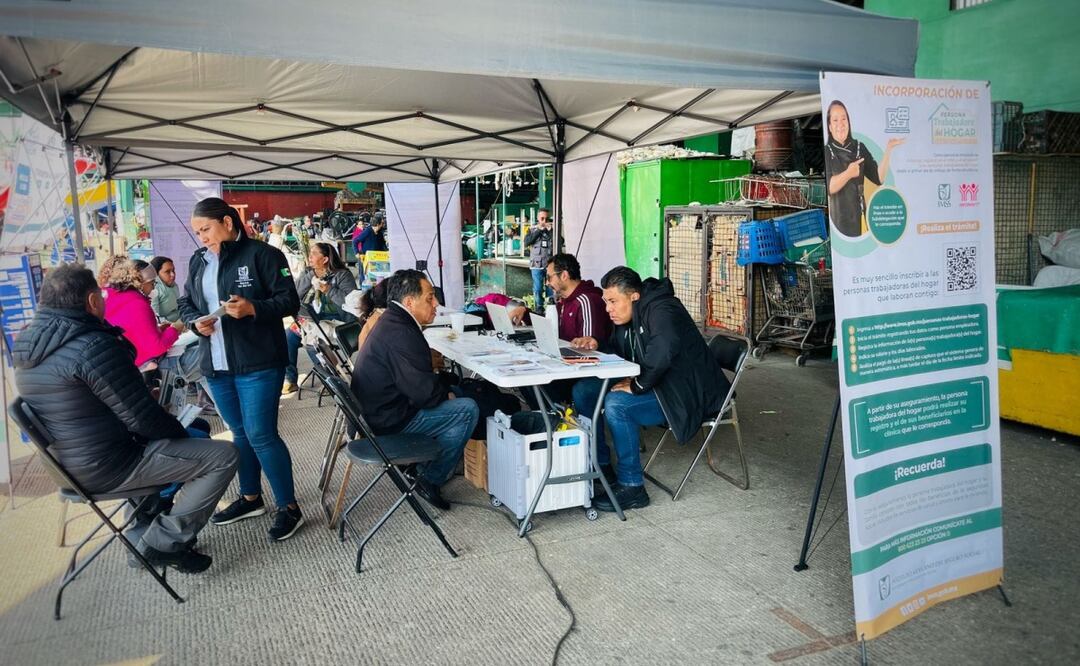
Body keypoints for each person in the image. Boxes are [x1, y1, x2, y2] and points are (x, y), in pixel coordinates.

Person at [13, 264, 238, 573]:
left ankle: (145, 527)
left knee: (190, 434)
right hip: (112, 465)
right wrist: (178, 431)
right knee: (222, 456)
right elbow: (143, 419)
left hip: (70, 466)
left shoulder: (29, 349)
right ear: (93, 301)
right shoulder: (92, 345)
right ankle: (162, 542)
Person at [178, 197, 306, 541]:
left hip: (258, 362)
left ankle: (289, 507)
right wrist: (194, 323)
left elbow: (289, 300)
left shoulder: (264, 255)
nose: (201, 237)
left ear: (228, 223)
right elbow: (186, 302)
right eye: (197, 232)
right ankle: (250, 497)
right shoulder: (198, 260)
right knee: (239, 434)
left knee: (261, 434)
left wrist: (253, 308)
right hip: (217, 365)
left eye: (206, 229)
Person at [571, 267, 730, 512]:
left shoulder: (662, 308)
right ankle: (600, 467)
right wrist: (597, 344)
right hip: (659, 383)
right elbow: (621, 350)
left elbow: (665, 348)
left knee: (617, 405)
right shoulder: (628, 316)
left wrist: (637, 385)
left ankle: (632, 487)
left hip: (685, 392)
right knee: (584, 391)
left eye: (613, 301)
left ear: (634, 296)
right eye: (606, 302)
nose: (608, 309)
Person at [350, 269, 479, 510]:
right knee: (468, 409)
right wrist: (444, 392)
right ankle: (429, 477)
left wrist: (443, 389)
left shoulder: (393, 320)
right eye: (430, 297)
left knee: (458, 395)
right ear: (409, 302)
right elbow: (424, 395)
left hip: (379, 411)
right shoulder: (401, 332)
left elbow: (419, 384)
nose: (436, 304)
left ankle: (422, 465)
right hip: (390, 421)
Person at [283, 242, 358, 393]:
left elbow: (351, 302)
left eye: (314, 253)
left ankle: (331, 378)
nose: (310, 257)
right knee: (288, 337)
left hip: (337, 322)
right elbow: (294, 295)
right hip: (310, 321)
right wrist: (312, 275)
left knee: (313, 339)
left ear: (324, 259)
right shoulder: (308, 273)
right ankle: (290, 379)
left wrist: (329, 289)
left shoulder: (342, 275)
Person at [824, 100, 905, 237]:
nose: (840, 124)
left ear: (849, 122)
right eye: (835, 120)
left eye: (844, 119)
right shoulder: (826, 151)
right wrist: (849, 173)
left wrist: (888, 150)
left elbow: (879, 178)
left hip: (860, 215)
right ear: (830, 127)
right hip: (839, 220)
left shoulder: (860, 147)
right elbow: (829, 187)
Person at [102, 258, 183, 369]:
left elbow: (133, 333)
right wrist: (176, 329)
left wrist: (158, 330)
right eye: (152, 283)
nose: (154, 286)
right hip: (139, 365)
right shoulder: (137, 304)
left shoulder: (112, 297)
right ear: (140, 283)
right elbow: (156, 347)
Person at [524, 208, 554, 307]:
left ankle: (551, 307)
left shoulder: (552, 230)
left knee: (551, 287)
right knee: (538, 288)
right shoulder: (532, 229)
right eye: (542, 218)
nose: (544, 221)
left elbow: (560, 241)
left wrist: (550, 232)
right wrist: (539, 231)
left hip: (550, 264)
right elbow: (527, 242)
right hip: (536, 264)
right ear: (538, 218)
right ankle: (539, 308)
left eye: (546, 219)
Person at [149, 256, 182, 323]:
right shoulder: (153, 290)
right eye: (167, 272)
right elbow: (154, 316)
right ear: (156, 273)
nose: (172, 274)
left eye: (173, 270)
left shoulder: (174, 285)